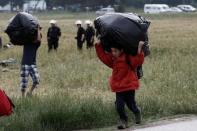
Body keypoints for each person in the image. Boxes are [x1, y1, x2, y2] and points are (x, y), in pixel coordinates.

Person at [95, 40, 145, 129]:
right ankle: (123, 121)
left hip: (129, 86)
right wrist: (98, 46)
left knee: (131, 105)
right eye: (112, 51)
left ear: (121, 50)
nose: (113, 53)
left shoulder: (127, 57)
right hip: (119, 87)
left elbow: (138, 61)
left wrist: (140, 49)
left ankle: (137, 112)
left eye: (115, 51)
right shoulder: (113, 59)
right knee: (119, 106)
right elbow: (103, 57)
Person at [20, 26, 42, 97]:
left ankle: (29, 92)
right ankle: (23, 97)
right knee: (24, 82)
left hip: (33, 64)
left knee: (37, 80)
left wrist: (38, 29)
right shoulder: (26, 42)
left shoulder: (36, 44)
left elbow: (38, 39)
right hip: (25, 64)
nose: (38, 38)